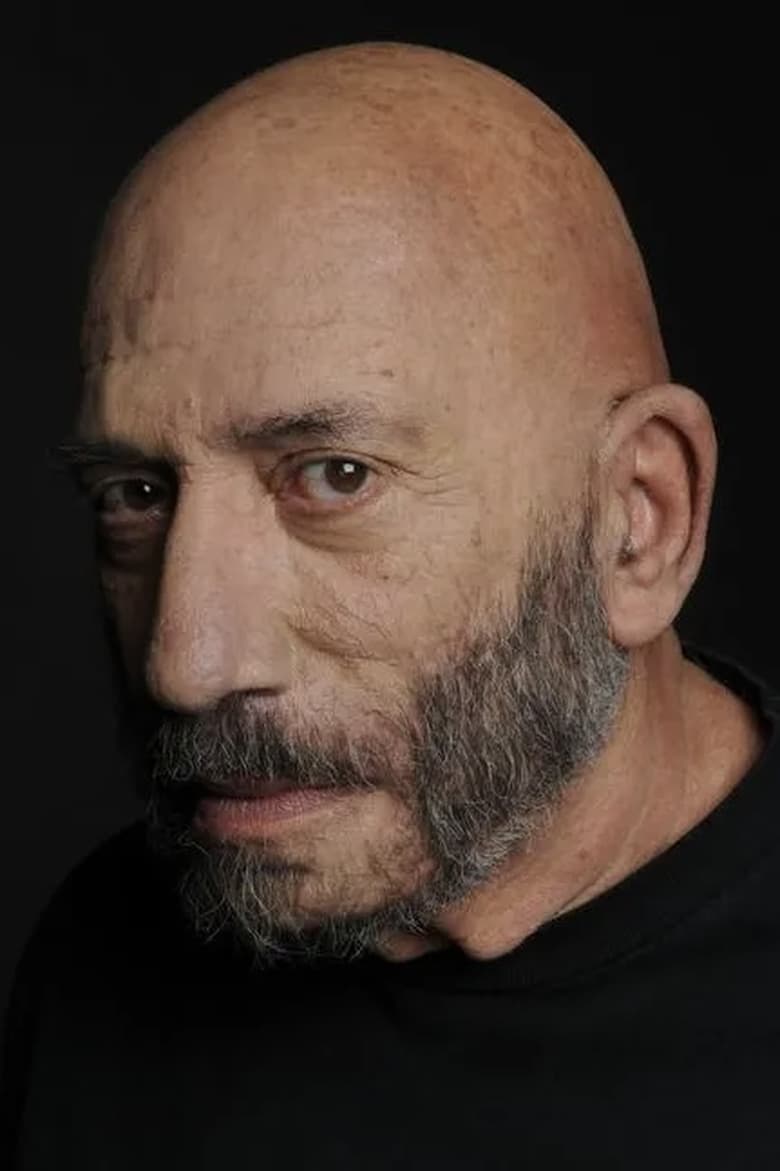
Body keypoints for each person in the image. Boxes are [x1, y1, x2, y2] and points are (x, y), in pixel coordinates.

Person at [2, 40, 778, 1170]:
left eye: (334, 475)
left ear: (636, 520)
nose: (186, 661)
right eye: (136, 493)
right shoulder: (102, 959)